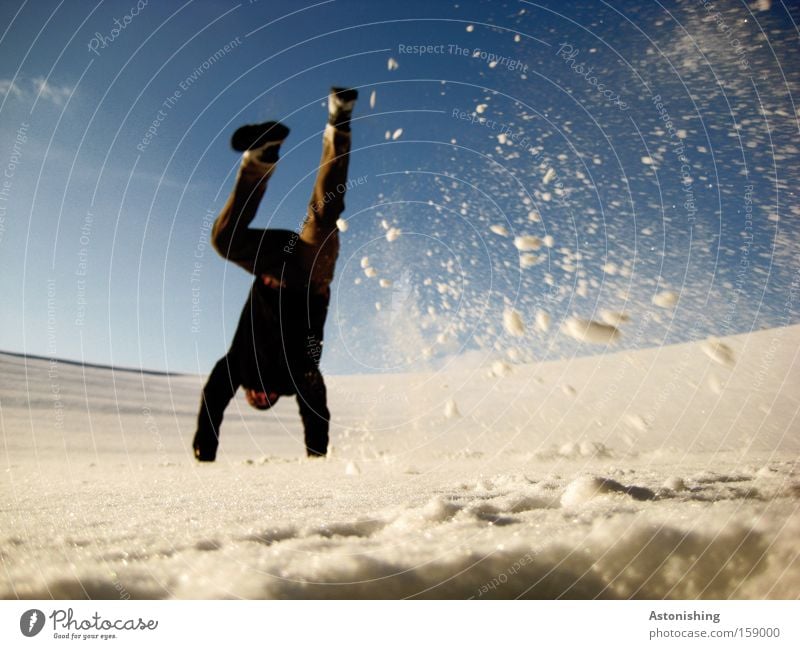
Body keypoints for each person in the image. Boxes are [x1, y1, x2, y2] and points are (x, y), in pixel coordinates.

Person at [192, 87, 358, 461]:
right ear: (274, 398)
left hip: (272, 265)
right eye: (267, 401)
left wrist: (206, 449)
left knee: (224, 240)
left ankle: (262, 155)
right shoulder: (296, 376)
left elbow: (214, 395)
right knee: (324, 213)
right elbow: (314, 405)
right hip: (310, 275)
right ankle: (339, 121)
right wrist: (317, 455)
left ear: (247, 394)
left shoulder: (239, 364)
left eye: (255, 399)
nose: (261, 395)